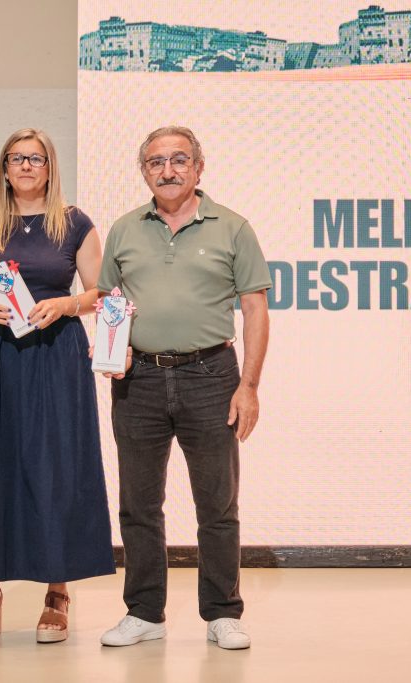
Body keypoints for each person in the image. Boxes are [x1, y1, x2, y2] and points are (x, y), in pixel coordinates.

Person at [0, 128, 115, 644]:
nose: (25, 166)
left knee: (56, 465)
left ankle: (57, 592)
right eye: (16, 158)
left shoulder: (75, 223)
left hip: (56, 354)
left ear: (50, 167)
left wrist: (65, 304)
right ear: (4, 168)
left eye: (35, 158)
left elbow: (101, 291)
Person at [97, 126, 270, 650]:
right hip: (139, 381)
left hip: (211, 377)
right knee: (138, 505)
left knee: (217, 504)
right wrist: (115, 348)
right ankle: (144, 612)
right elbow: (109, 297)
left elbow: (255, 310)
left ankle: (222, 613)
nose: (167, 170)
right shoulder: (124, 230)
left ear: (198, 167)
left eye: (178, 160)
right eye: (156, 162)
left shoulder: (233, 228)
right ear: (144, 171)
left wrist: (249, 386)